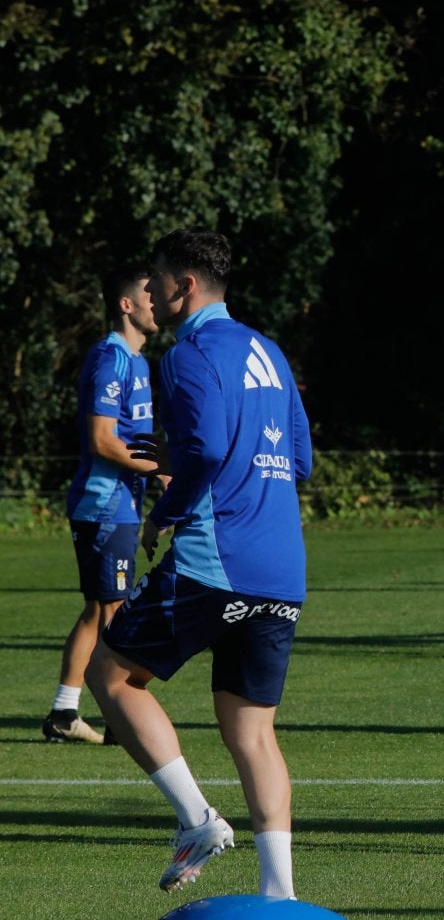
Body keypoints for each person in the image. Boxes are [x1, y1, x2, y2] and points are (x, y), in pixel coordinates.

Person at [86, 227, 311, 897]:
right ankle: (281, 894)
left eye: (157, 281)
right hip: (283, 569)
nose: (149, 293)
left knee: (113, 674)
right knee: (253, 731)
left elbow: (209, 449)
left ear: (186, 286)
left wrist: (168, 510)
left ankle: (195, 818)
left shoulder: (189, 353)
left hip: (220, 559)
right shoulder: (268, 349)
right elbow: (299, 459)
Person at [45, 266, 160, 744]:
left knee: (100, 609)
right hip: (103, 505)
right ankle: (120, 713)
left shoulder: (138, 362)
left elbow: (136, 441)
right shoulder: (110, 358)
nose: (157, 302)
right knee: (114, 609)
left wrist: (165, 470)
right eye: (148, 295)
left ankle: (65, 714)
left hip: (121, 507)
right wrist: (160, 471)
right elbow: (103, 440)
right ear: (126, 305)